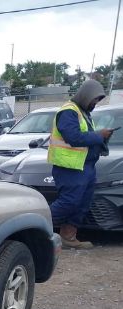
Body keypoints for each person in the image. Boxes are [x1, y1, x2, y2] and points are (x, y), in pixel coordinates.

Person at [47, 79, 114, 249]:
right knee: (69, 202)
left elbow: (85, 137)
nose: (95, 104)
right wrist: (100, 135)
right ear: (86, 95)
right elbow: (74, 137)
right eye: (95, 100)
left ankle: (68, 237)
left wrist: (101, 141)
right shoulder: (68, 111)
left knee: (83, 203)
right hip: (69, 168)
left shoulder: (83, 112)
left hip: (86, 167)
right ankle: (36, 227)